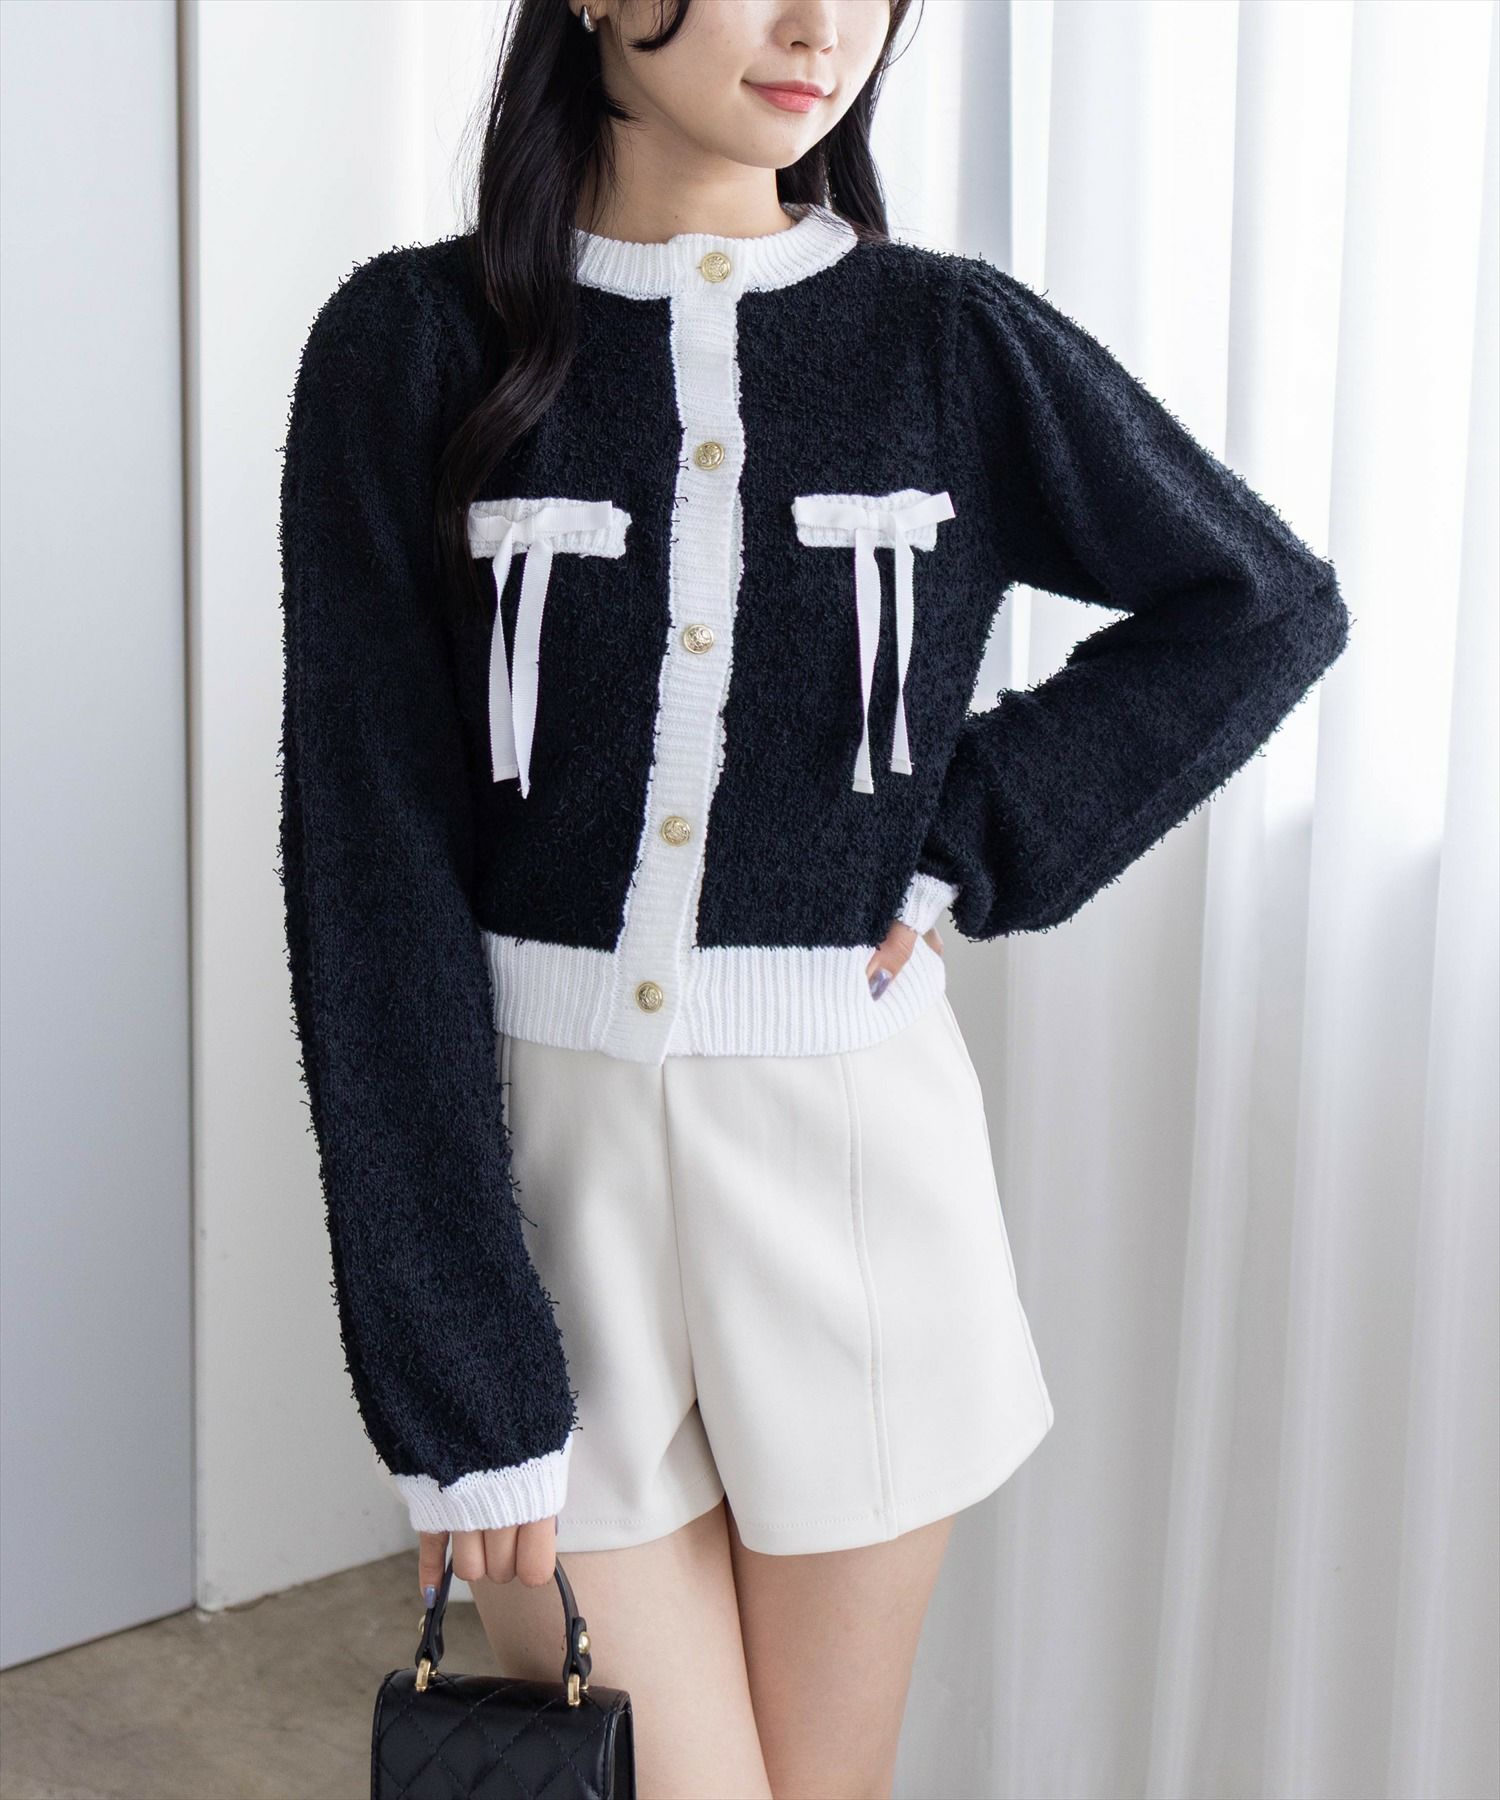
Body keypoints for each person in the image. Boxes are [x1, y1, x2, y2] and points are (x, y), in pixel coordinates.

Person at [277, 2, 1351, 1792]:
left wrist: (968, 833)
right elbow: (367, 874)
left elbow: (1263, 602)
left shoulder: (947, 342)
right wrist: (454, 1367)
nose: (821, 27)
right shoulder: (411, 347)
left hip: (859, 1186)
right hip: (549, 1200)